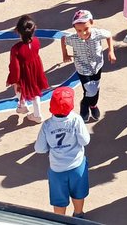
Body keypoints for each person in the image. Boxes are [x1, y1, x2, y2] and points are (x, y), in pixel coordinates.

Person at [35, 86, 92, 217]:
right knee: (78, 193)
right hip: (76, 165)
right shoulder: (76, 120)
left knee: (59, 200)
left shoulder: (47, 125)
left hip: (57, 169)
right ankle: (78, 215)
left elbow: (39, 148)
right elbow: (85, 141)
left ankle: (60, 220)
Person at [61, 9, 115, 122]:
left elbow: (109, 35)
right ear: (75, 29)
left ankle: (93, 105)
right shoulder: (73, 38)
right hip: (82, 68)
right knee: (90, 89)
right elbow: (63, 39)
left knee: (96, 87)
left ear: (91, 22)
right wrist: (64, 54)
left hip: (97, 66)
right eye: (79, 31)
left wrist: (111, 51)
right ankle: (84, 104)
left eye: (86, 29)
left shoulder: (97, 33)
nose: (83, 33)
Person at [8, 15, 49, 124]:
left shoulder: (16, 49)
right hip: (35, 71)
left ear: (17, 31)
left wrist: (14, 79)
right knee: (36, 92)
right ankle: (37, 114)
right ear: (34, 28)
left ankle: (23, 105)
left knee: (18, 88)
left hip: (23, 74)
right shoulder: (36, 41)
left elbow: (15, 66)